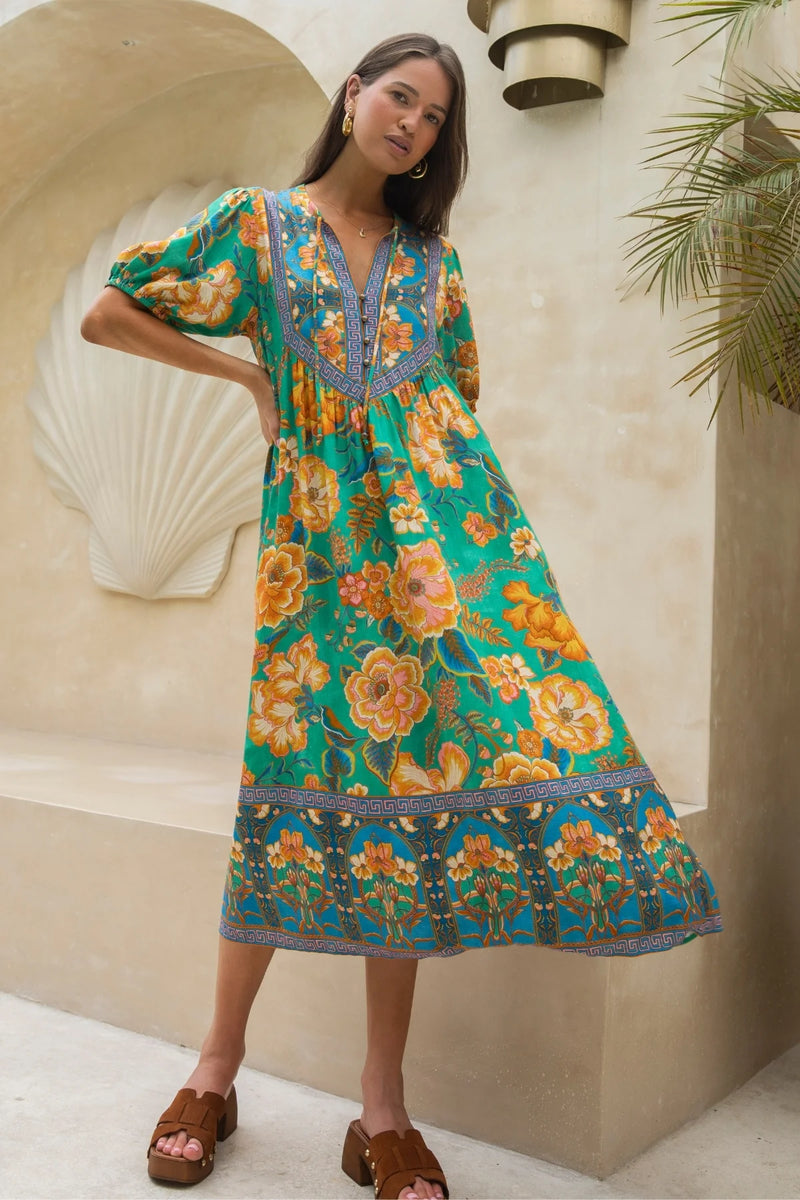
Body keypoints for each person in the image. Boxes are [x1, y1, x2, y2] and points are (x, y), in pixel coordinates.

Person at [82, 31, 722, 1200]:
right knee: (283, 793)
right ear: (353, 94)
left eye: (433, 118)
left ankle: (381, 1107)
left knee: (409, 804)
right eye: (399, 98)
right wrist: (247, 377)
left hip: (435, 554)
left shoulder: (433, 262)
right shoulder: (256, 226)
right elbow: (111, 314)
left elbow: (452, 411)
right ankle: (214, 1074)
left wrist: (481, 567)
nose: (412, 126)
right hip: (315, 561)